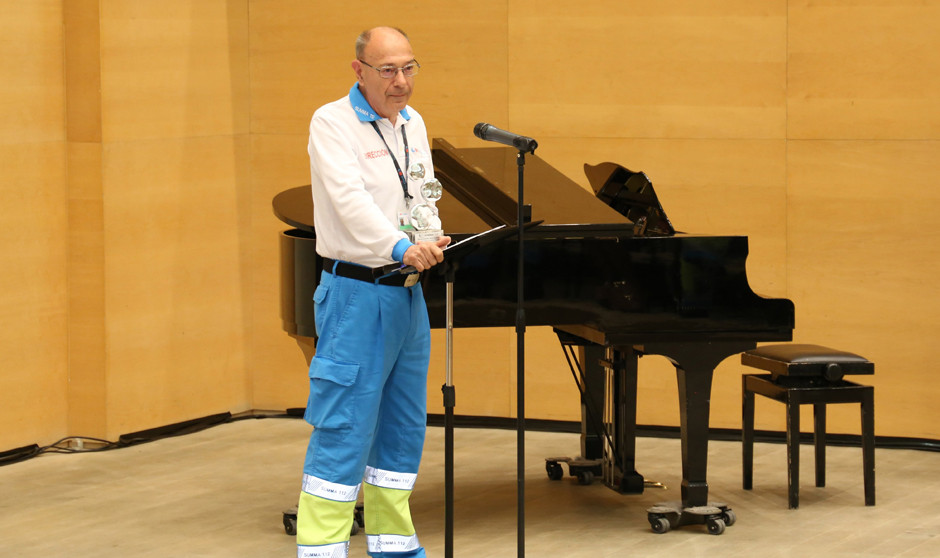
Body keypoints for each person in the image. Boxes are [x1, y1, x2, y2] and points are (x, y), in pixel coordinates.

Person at [297, 26, 450, 558]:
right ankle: (321, 551)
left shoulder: (413, 123)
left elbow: (421, 194)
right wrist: (399, 245)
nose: (401, 81)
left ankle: (395, 547)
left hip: (407, 296)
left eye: (409, 68)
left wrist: (429, 236)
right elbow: (348, 203)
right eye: (388, 70)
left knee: (402, 430)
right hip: (356, 295)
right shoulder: (331, 122)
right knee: (344, 429)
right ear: (359, 70)